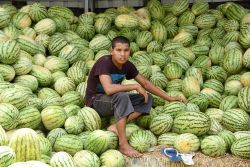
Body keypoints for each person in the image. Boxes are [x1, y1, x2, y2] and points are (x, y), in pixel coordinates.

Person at [85, 36, 184, 157]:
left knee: (147, 98)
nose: (123, 54)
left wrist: (169, 98)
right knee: (121, 96)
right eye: (118, 50)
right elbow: (109, 89)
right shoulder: (104, 62)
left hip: (112, 101)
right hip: (96, 101)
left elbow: (146, 84)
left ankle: (116, 126)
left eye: (126, 50)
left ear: (129, 51)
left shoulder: (127, 65)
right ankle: (123, 144)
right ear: (111, 51)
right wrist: (134, 86)